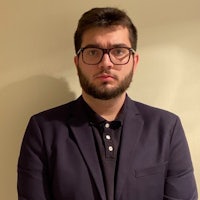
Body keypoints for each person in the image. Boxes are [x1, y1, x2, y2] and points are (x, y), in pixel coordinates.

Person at [17, 7, 198, 200]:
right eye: (93, 52)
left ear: (134, 62)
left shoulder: (166, 128)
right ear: (77, 62)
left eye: (119, 51)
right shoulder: (43, 130)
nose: (106, 63)